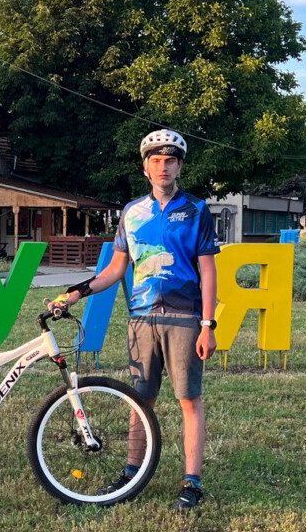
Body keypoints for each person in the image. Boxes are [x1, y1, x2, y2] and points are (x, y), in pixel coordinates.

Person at [51, 129, 219, 510]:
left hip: (185, 317)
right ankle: (131, 471)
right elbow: (115, 269)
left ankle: (192, 483)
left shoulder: (196, 210)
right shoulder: (131, 212)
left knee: (189, 400)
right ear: (146, 167)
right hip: (141, 318)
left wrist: (208, 324)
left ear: (179, 166)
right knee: (139, 399)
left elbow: (208, 271)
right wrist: (77, 291)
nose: (163, 167)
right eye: (156, 160)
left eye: (170, 160)